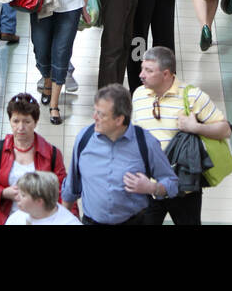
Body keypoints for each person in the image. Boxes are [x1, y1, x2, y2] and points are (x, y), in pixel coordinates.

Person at [130, 46, 231, 224]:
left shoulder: (192, 96)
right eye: (142, 68)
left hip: (183, 187)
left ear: (166, 74)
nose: (141, 74)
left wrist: (196, 128)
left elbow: (225, 129)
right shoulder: (138, 95)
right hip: (148, 186)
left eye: (149, 70)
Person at [61, 84, 179, 225]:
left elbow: (172, 183)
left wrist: (152, 188)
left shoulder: (145, 143)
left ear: (119, 120)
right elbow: (72, 187)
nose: (94, 117)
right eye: (95, 111)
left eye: (101, 114)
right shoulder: (84, 139)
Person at [0, 94, 72, 223]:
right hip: (4, 220)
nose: (21, 127)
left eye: (27, 121)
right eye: (16, 121)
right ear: (10, 121)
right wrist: (4, 192)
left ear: (35, 122)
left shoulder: (52, 154)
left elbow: (63, 193)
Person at [7, 171, 81, 224]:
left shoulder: (69, 222)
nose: (17, 198)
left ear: (39, 201)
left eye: (23, 195)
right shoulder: (16, 218)